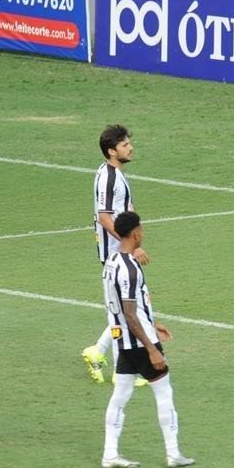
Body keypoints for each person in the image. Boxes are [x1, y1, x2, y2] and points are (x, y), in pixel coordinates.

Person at [101, 211, 194, 468]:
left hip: (123, 341)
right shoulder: (130, 268)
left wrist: (152, 321)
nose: (143, 233)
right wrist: (152, 347)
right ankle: (173, 453)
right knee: (164, 392)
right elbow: (130, 312)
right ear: (135, 233)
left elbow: (125, 308)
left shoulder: (112, 260)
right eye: (142, 229)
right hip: (140, 342)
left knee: (120, 395)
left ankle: (110, 454)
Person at [82, 125, 149, 387]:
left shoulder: (116, 174)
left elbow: (123, 209)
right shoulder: (108, 177)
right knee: (128, 308)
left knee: (127, 307)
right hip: (115, 253)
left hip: (120, 250)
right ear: (112, 151)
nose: (130, 147)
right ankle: (121, 370)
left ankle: (98, 351)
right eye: (124, 145)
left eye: (129, 143)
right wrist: (129, 243)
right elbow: (104, 216)